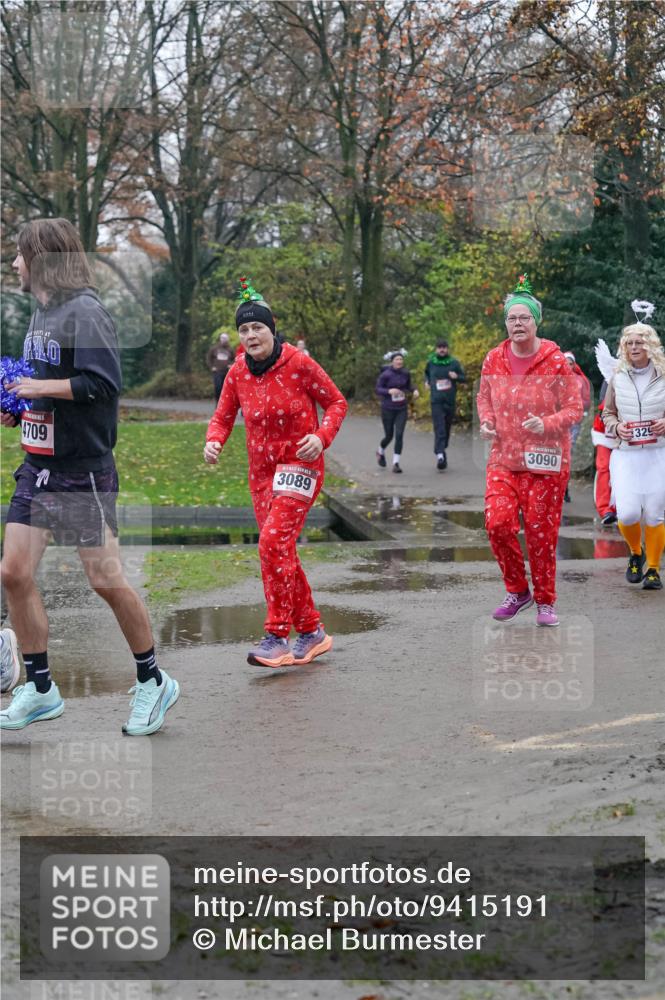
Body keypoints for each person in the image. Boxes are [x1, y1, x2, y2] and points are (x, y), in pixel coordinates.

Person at [0, 218, 179, 734]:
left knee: (104, 579)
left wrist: (39, 387)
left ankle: (152, 680)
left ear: (45, 258)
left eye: (20, 255)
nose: (14, 264)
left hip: (83, 473)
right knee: (13, 572)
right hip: (38, 468)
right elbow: (48, 385)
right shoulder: (42, 313)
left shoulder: (87, 312)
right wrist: (19, 404)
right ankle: (38, 688)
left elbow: (102, 384)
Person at [204, 278, 347, 667]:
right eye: (245, 329)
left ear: (272, 329)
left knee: (270, 544)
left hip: (300, 465)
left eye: (258, 328)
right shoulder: (237, 372)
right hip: (262, 474)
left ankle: (277, 635)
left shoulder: (298, 363)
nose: (252, 335)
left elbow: (336, 402)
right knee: (279, 548)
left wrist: (321, 437)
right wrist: (213, 441)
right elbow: (222, 416)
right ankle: (312, 631)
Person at [477, 273, 582, 626]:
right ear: (505, 322)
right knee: (497, 524)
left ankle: (545, 602)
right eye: (511, 317)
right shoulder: (493, 358)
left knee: (540, 532)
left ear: (535, 322)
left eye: (524, 317)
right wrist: (487, 421)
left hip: (546, 461)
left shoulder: (555, 360)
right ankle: (517, 590)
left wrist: (546, 424)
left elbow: (574, 409)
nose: (517, 323)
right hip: (504, 457)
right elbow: (484, 397)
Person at [601, 319, 665, 590]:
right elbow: (607, 413)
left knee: (654, 514)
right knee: (627, 514)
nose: (634, 347)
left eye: (639, 342)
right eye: (629, 343)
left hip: (658, 454)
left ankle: (652, 569)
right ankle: (635, 552)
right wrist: (617, 427)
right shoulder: (617, 376)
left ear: (650, 345)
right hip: (626, 455)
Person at [424, 340, 466, 470]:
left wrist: (456, 376)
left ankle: (442, 449)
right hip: (436, 401)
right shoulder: (431, 363)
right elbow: (426, 373)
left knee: (446, 429)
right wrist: (426, 381)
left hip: (449, 401)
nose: (442, 350)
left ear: (447, 349)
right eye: (439, 347)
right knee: (440, 428)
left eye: (444, 347)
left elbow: (463, 378)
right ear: (436, 349)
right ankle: (440, 456)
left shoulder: (453, 363)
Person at [375, 350, 419, 474]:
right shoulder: (386, 375)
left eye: (401, 359)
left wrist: (414, 390)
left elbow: (409, 386)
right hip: (388, 408)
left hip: (401, 409)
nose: (399, 361)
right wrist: (389, 391)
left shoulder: (406, 373)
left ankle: (396, 463)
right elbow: (378, 389)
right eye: (397, 360)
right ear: (392, 362)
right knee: (389, 436)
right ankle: (380, 450)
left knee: (399, 435)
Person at [562, 351, 591, 502]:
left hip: (573, 423)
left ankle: (565, 490)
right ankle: (557, 488)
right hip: (557, 423)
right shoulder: (555, 378)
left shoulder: (581, 380)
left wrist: (577, 404)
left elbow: (587, 401)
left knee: (566, 456)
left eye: (570, 363)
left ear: (574, 365)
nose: (568, 365)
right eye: (565, 362)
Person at [591, 380, 617, 525]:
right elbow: (603, 400)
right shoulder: (612, 372)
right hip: (604, 432)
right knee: (604, 467)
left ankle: (620, 508)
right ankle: (605, 509)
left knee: (623, 471)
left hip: (627, 433)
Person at [206, 331, 236, 401]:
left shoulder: (230, 349)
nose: (224, 340)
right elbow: (209, 358)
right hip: (217, 371)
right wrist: (212, 367)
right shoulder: (214, 348)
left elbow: (234, 359)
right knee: (218, 387)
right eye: (222, 338)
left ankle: (224, 403)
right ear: (220, 339)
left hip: (226, 372)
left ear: (228, 339)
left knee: (226, 388)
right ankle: (218, 402)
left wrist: (231, 365)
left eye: (225, 338)